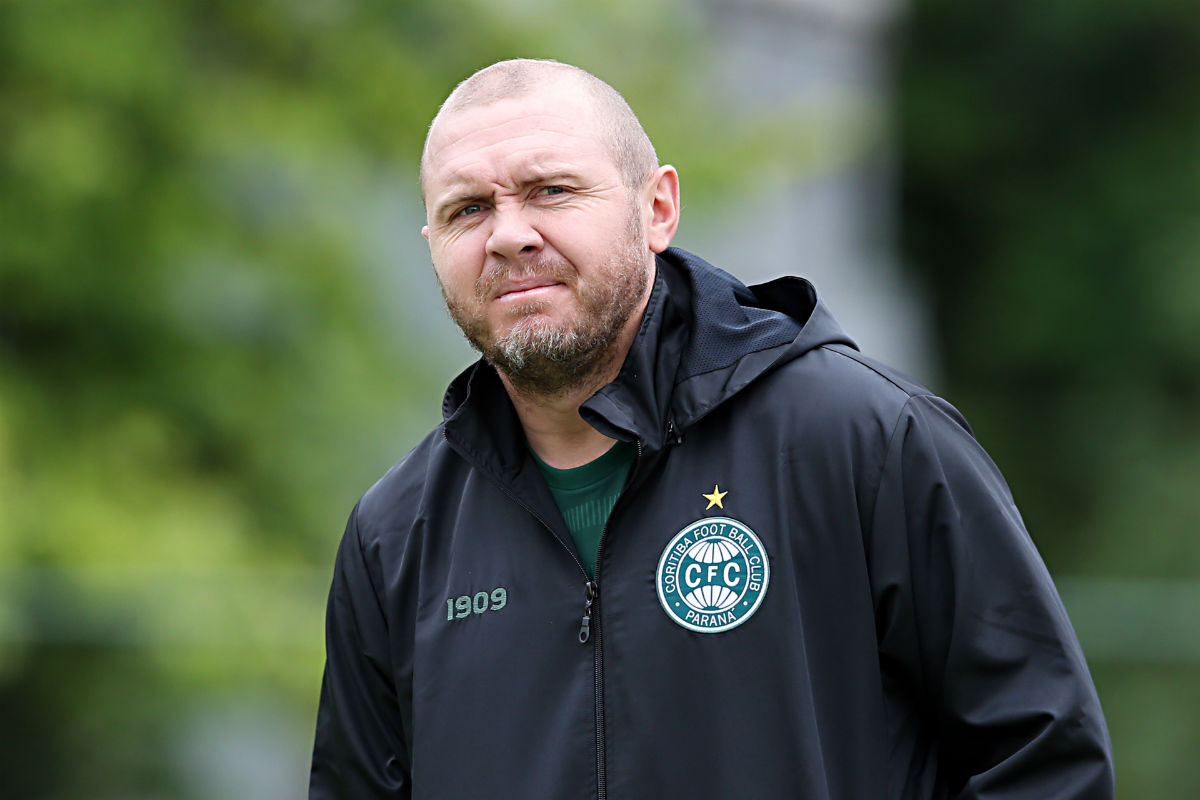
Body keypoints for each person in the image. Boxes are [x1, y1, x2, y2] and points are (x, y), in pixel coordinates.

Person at [308, 58, 1115, 799]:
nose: (509, 234)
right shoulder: (395, 535)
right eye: (468, 209)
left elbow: (1046, 765)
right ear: (434, 246)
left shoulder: (863, 440)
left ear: (656, 208)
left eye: (551, 190)